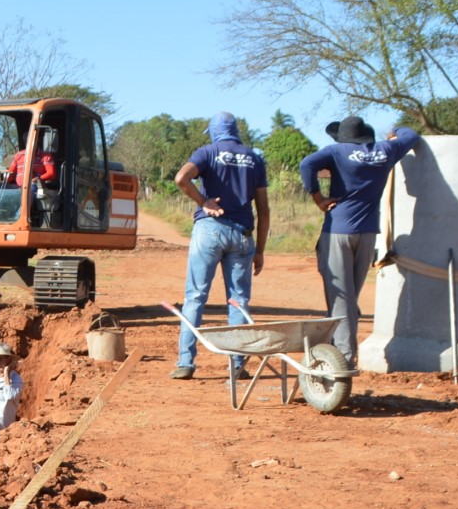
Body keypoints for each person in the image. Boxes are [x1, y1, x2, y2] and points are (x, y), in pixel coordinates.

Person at [299, 115, 421, 368]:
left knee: (341, 298)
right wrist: (394, 131)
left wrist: (318, 198)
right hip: (367, 234)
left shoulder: (336, 151)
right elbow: (412, 136)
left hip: (337, 232)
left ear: (343, 137)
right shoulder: (385, 150)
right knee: (350, 297)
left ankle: (343, 359)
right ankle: (335, 345)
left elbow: (307, 165)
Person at [173, 111, 269, 380]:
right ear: (235, 130)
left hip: (210, 230)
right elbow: (264, 208)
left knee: (195, 296)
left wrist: (203, 201)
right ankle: (237, 364)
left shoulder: (207, 152)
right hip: (242, 234)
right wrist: (260, 249)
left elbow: (182, 178)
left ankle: (185, 363)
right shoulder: (255, 159)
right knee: (238, 301)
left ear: (215, 131)